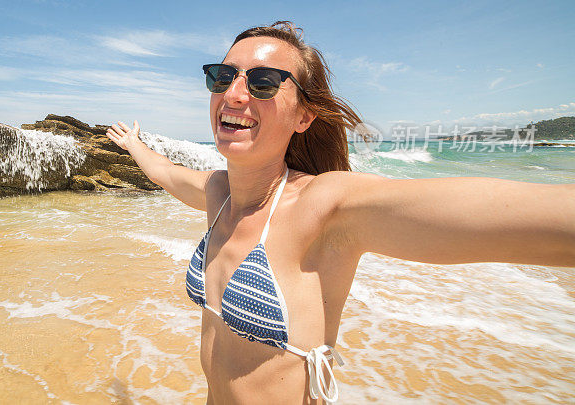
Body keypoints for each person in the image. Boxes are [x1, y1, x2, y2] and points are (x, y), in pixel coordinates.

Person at [105, 20, 575, 404]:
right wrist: (133, 145)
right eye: (223, 76)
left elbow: (528, 220)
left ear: (304, 116)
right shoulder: (218, 193)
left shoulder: (326, 208)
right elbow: (166, 172)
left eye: (264, 82)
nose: (234, 95)